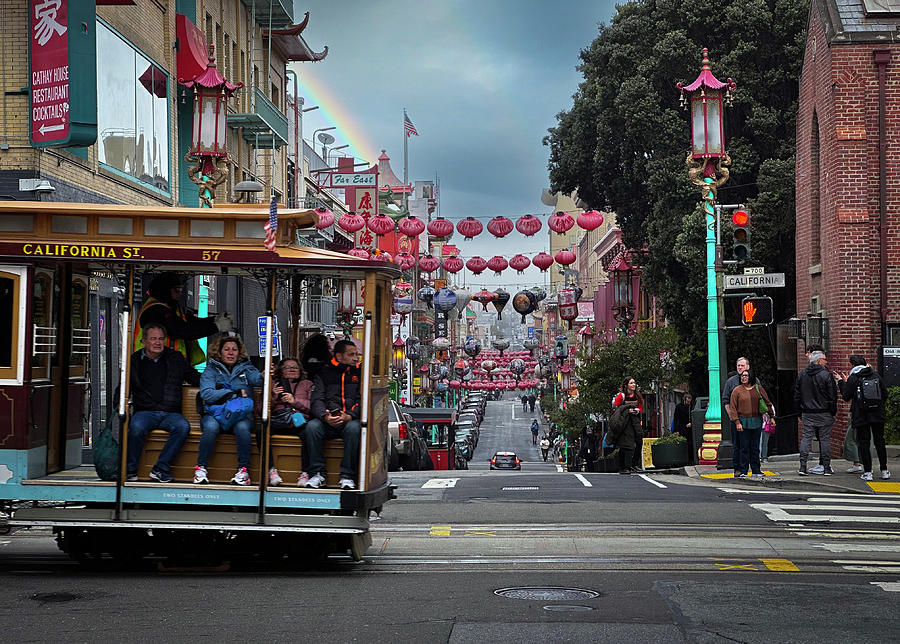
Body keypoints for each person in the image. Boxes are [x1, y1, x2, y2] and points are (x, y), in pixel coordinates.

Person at [126, 323, 200, 483]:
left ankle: (160, 468)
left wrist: (218, 380)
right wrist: (118, 404)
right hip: (144, 412)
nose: (158, 342)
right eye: (153, 339)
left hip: (170, 412)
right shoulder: (134, 360)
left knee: (183, 427)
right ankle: (130, 470)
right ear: (144, 341)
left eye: (161, 339)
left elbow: (195, 377)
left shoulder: (175, 358)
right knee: (136, 427)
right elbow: (124, 385)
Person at [195, 335, 263, 485]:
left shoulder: (247, 368)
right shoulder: (210, 370)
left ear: (239, 352)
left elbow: (258, 379)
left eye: (234, 349)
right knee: (211, 427)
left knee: (243, 428)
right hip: (215, 413)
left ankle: (243, 471)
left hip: (240, 415)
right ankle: (200, 468)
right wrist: (233, 393)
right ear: (219, 352)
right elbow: (207, 394)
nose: (231, 353)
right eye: (227, 349)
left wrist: (265, 375)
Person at [134, 272, 233, 366]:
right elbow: (182, 330)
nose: (180, 293)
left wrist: (214, 319)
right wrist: (216, 326)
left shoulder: (169, 308)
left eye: (181, 290)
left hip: (168, 364)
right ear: (165, 290)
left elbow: (190, 322)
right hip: (154, 364)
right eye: (176, 290)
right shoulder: (155, 310)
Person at [305, 340, 362, 489]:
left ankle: (347, 476)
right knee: (312, 427)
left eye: (356, 354)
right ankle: (317, 473)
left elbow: (362, 399)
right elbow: (317, 399)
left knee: (355, 429)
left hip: (350, 419)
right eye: (351, 354)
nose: (355, 358)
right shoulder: (323, 373)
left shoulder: (360, 373)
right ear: (339, 355)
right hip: (328, 419)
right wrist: (325, 416)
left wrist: (349, 415)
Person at [836, 354, 891, 482]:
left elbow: (846, 396)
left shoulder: (854, 378)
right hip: (878, 414)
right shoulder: (876, 375)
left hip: (861, 415)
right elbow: (885, 393)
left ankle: (868, 472)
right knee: (880, 442)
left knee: (864, 443)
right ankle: (884, 471)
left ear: (853, 365)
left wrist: (841, 382)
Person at [269, 357, 313, 487]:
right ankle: (271, 470)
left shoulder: (307, 384)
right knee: (262, 431)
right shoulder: (273, 384)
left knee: (309, 433)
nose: (292, 369)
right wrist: (273, 396)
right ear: (280, 371)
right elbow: (260, 410)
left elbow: (313, 406)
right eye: (288, 367)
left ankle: (305, 472)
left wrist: (295, 401)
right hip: (278, 421)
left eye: (295, 367)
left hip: (298, 421)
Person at [794, 350, 838, 476]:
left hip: (807, 412)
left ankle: (803, 466)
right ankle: (826, 467)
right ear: (819, 361)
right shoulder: (826, 375)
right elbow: (832, 396)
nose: (826, 361)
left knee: (806, 438)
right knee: (824, 439)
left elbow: (797, 395)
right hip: (824, 412)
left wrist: (799, 411)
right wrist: (832, 411)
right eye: (824, 359)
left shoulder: (802, 374)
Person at [728, 369, 775, 479]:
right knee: (744, 447)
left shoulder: (758, 388)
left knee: (755, 447)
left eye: (746, 376)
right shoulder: (736, 390)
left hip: (757, 421)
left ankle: (756, 470)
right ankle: (743, 470)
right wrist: (737, 422)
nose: (743, 378)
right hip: (743, 421)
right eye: (742, 376)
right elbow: (733, 408)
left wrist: (771, 416)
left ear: (751, 377)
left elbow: (767, 402)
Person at [722, 357, 750, 476]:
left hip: (750, 418)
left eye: (742, 365)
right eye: (738, 365)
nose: (740, 367)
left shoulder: (754, 380)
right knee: (737, 445)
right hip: (736, 418)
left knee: (748, 445)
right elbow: (726, 400)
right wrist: (732, 416)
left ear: (747, 367)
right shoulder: (731, 382)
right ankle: (738, 469)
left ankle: (745, 468)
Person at [611, 377, 644, 474]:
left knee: (639, 441)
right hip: (625, 422)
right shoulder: (621, 396)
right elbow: (616, 408)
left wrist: (637, 410)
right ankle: (624, 467)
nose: (634, 385)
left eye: (634, 383)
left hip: (635, 421)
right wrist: (627, 410)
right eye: (631, 383)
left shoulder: (637, 396)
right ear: (626, 385)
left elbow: (641, 407)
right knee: (625, 444)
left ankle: (634, 464)